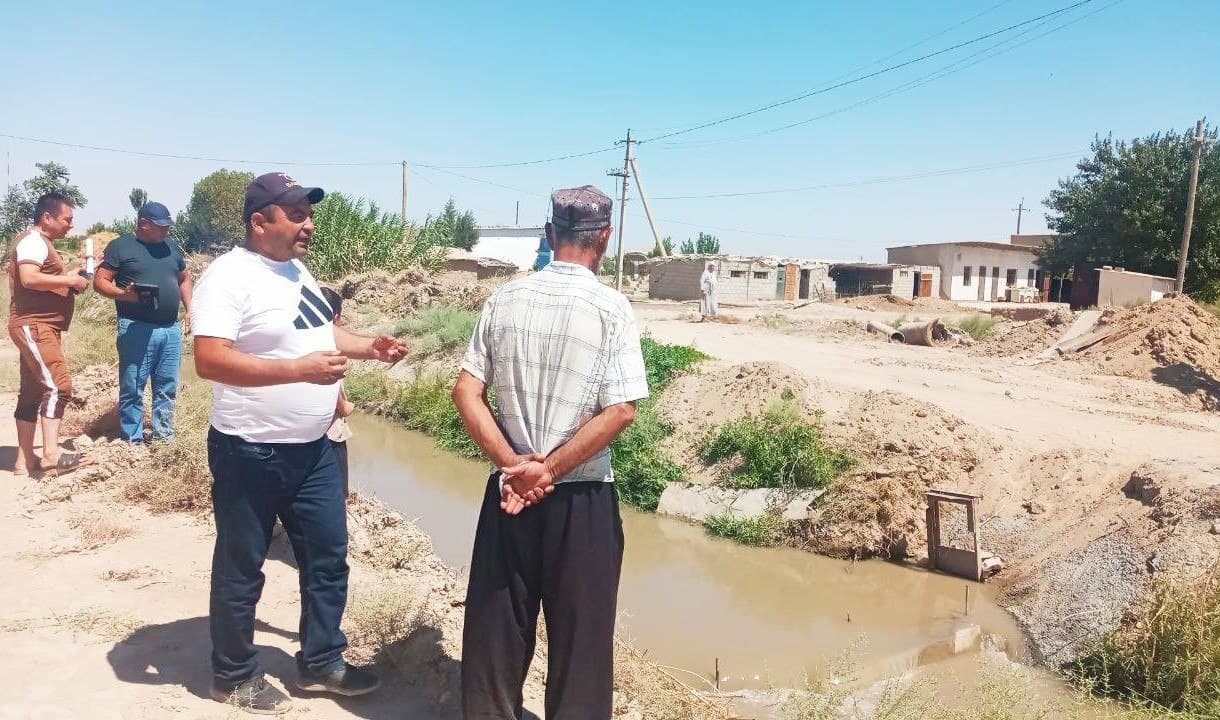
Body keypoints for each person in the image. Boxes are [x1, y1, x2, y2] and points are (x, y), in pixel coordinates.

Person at [191, 172, 407, 713]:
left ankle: (320, 662)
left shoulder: (297, 272)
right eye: (296, 214)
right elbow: (209, 359)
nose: (309, 224)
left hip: (314, 449)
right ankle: (233, 675)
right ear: (259, 221)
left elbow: (320, 333)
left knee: (328, 559)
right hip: (251, 451)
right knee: (243, 567)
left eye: (308, 213)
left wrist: (366, 348)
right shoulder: (228, 277)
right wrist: (297, 371)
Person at [453, 185, 648, 720]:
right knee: (581, 651)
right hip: (581, 499)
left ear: (548, 235)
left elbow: (465, 392)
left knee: (496, 638)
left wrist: (515, 467)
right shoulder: (612, 308)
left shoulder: (504, 299)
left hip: (510, 495)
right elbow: (621, 410)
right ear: (603, 239)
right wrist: (550, 470)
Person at [92, 202, 192, 443]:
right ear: (143, 224)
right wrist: (124, 294)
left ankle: (164, 437)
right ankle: (132, 442)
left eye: (168, 226)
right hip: (136, 327)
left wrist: (191, 310)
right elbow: (100, 281)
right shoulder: (121, 247)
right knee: (133, 387)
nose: (166, 231)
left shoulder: (171, 247)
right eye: (161, 226)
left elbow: (184, 278)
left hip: (170, 329)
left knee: (167, 386)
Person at [8, 192, 90, 476]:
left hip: (39, 325)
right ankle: (51, 454)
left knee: (32, 392)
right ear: (47, 217)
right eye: (66, 219)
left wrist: (72, 275)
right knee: (58, 387)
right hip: (35, 325)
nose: (70, 225)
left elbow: (43, 278)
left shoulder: (40, 243)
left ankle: (24, 461)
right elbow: (29, 278)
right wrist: (69, 278)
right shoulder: (33, 241)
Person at [319, 286, 354, 496]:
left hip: (300, 436)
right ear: (336, 318)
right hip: (330, 436)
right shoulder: (330, 350)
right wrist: (348, 406)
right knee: (336, 493)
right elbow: (339, 402)